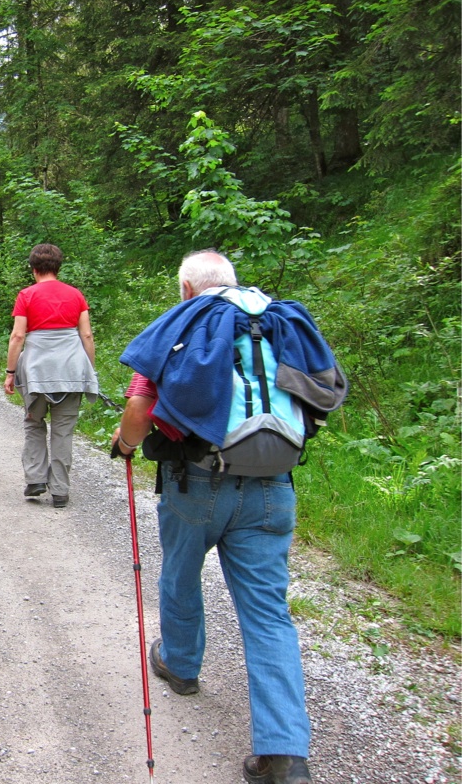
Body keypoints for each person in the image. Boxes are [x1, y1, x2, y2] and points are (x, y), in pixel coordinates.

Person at [112, 250, 329, 784]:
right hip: (274, 484)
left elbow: (139, 410)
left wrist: (125, 445)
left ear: (187, 289)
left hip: (197, 483)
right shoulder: (275, 324)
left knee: (181, 575)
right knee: (268, 613)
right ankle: (284, 755)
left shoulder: (184, 325)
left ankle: (181, 665)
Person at [3, 243, 99, 508]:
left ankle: (35, 478)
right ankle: (60, 491)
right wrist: (88, 371)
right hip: (71, 370)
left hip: (36, 373)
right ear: (58, 267)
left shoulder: (26, 295)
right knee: (63, 431)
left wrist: (10, 372)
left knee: (34, 423)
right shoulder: (76, 295)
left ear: (33, 268)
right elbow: (86, 335)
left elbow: (18, 336)